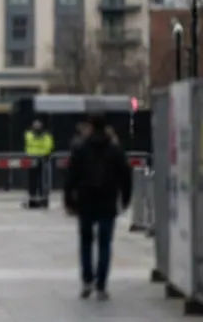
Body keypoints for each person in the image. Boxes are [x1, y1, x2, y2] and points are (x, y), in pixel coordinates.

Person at [64, 113, 133, 300]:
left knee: (86, 241)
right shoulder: (115, 150)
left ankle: (87, 281)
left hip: (85, 200)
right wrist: (125, 199)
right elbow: (125, 177)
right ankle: (101, 285)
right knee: (104, 243)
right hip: (107, 200)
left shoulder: (80, 149)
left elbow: (71, 176)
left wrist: (69, 200)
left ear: (91, 126)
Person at [23, 119, 54, 209]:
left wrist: (43, 154)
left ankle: (42, 200)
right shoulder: (29, 135)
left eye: (38, 126)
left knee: (42, 181)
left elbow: (49, 146)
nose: (37, 128)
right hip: (33, 160)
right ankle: (33, 200)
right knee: (32, 181)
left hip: (42, 160)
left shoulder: (45, 135)